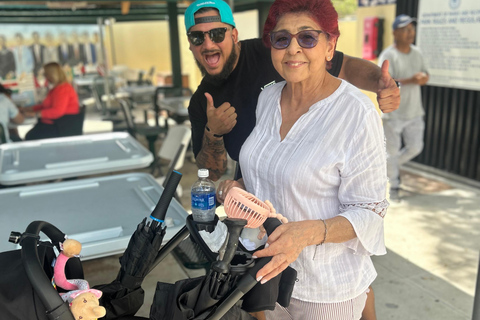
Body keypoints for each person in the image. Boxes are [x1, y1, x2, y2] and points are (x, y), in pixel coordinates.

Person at [216, 0, 388, 319]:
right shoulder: (268, 98)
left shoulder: (356, 113)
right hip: (264, 277)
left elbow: (369, 213)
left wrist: (305, 233)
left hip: (324, 291)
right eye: (282, 39)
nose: (293, 48)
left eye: (307, 37)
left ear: (330, 46)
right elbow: (271, 171)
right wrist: (237, 187)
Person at [185, 0, 400, 182]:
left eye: (217, 34)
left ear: (233, 35)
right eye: (197, 37)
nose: (208, 44)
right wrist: (213, 133)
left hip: (311, 183)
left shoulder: (275, 48)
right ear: (190, 44)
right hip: (252, 198)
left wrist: (380, 84)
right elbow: (211, 174)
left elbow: (345, 66)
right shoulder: (200, 101)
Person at [378, 14, 429, 201]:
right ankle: (395, 186)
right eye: (406, 29)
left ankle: (384, 167)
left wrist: (424, 78)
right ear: (394, 33)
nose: (411, 33)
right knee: (391, 151)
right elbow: (384, 81)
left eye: (412, 29)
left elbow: (425, 74)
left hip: (415, 111)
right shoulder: (388, 55)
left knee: (416, 147)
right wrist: (411, 80)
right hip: (394, 113)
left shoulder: (417, 53)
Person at [22, 62, 79, 140]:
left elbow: (57, 111)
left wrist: (36, 114)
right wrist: (29, 109)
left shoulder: (63, 89)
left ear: (52, 75)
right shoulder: (57, 89)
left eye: (46, 74)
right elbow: (46, 105)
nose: (45, 77)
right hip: (54, 123)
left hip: (60, 126)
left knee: (30, 137)